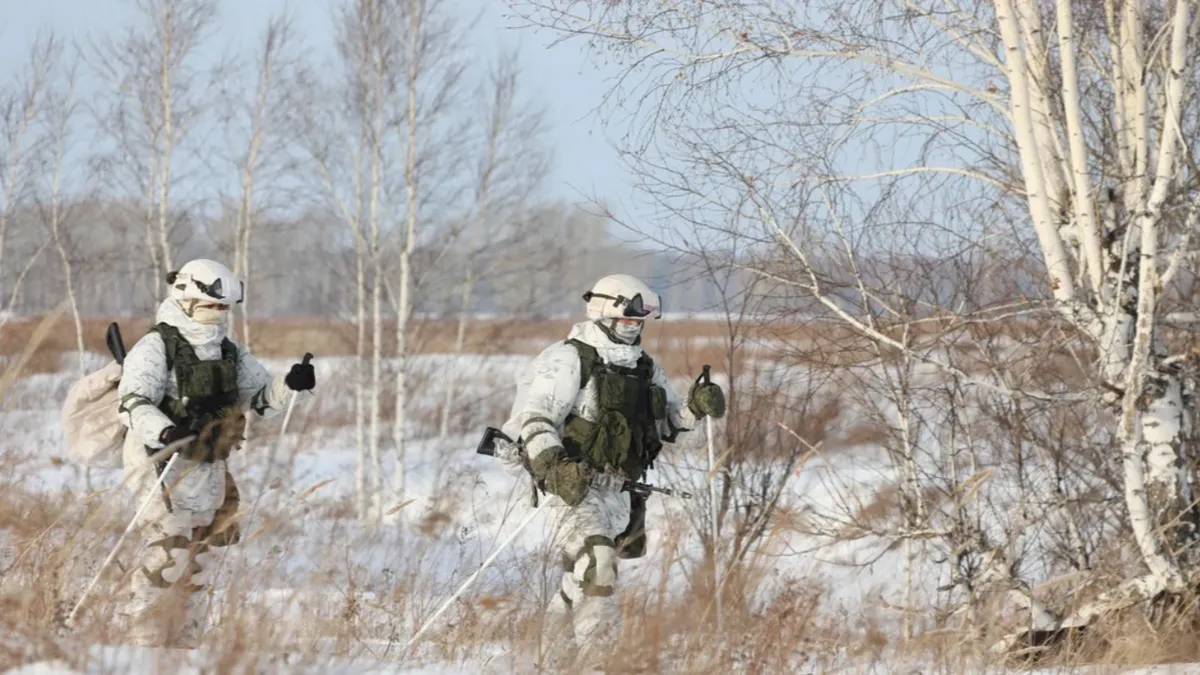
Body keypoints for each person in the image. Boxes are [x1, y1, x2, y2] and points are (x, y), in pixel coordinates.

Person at [504, 274, 725, 662]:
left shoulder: (644, 368)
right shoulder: (568, 358)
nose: (633, 328)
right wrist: (556, 469)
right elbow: (536, 421)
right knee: (599, 563)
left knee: (588, 574)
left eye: (638, 322)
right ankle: (598, 663)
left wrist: (696, 408)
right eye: (626, 320)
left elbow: (668, 428)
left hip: (620, 491)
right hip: (572, 486)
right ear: (604, 314)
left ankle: (548, 652)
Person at [115, 259, 316, 647]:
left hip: (208, 461)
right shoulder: (157, 345)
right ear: (186, 299)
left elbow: (260, 397)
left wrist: (291, 385)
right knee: (168, 552)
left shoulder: (229, 351)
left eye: (224, 308)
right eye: (212, 306)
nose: (219, 315)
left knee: (202, 553)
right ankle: (140, 645)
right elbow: (132, 402)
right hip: (159, 460)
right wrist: (168, 430)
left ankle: (185, 646)